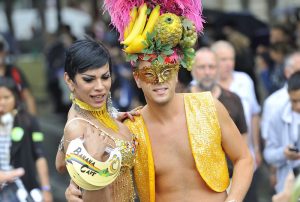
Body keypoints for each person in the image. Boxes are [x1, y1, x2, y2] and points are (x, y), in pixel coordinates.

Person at [65, 1, 253, 201]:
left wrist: (234, 199)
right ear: (137, 78)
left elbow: (244, 159)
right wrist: (81, 179)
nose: (159, 80)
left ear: (177, 73)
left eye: (166, 71)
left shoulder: (208, 107)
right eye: (149, 73)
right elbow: (105, 184)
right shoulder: (130, 129)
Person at [55, 37, 138, 201]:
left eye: (105, 77)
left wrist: (112, 117)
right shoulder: (78, 128)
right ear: (69, 80)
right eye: (89, 79)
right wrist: (93, 160)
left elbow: (60, 163)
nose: (100, 87)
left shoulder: (100, 112)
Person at [211, 40, 261, 202]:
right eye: (223, 59)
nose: (228, 64)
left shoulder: (245, 80)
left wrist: (257, 147)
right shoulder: (202, 86)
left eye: (231, 59)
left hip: (246, 151)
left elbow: (254, 114)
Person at [189, 47, 248, 177]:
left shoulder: (233, 99)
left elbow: (243, 137)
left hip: (228, 176)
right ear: (192, 69)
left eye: (212, 67)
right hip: (193, 179)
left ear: (218, 69)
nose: (207, 72)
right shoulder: (182, 98)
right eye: (201, 67)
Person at [0, 77, 52, 201]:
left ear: (16, 98)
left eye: (6, 98)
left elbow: (39, 156)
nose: (2, 102)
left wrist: (46, 189)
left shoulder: (28, 122)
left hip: (21, 188)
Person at [263, 71, 300, 193]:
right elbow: (269, 154)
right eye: (294, 101)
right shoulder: (277, 116)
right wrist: (283, 153)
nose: (298, 106)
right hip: (287, 187)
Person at [0, 36, 37, 115]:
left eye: (0, 48)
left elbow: (28, 97)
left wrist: (33, 122)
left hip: (16, 119)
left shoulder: (14, 71)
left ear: (5, 51)